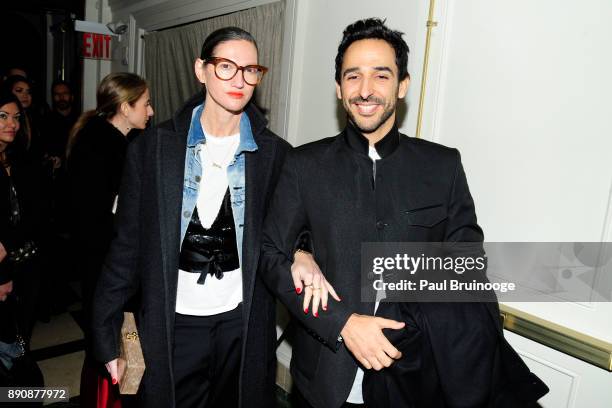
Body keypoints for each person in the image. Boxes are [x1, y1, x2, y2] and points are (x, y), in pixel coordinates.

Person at [260, 18, 548, 408]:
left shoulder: (442, 165)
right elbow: (271, 253)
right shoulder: (304, 164)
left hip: (419, 377)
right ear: (339, 88)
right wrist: (342, 322)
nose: (365, 91)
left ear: (402, 85)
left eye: (381, 76)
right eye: (353, 77)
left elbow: (466, 263)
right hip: (326, 380)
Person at [91, 27, 325, 408]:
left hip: (242, 323)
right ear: (201, 69)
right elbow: (127, 246)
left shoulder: (275, 155)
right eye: (226, 66)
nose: (240, 80)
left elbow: (293, 227)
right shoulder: (153, 149)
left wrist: (302, 250)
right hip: (173, 322)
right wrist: (105, 333)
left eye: (250, 70)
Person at [66, 72, 153, 407]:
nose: (150, 111)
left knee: (119, 339)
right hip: (106, 265)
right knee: (110, 343)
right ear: (124, 106)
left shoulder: (122, 142)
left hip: (113, 263)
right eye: (145, 104)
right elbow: (96, 217)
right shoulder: (98, 146)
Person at [0, 90, 45, 345]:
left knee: (21, 336)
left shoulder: (23, 159)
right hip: (4, 267)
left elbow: (37, 212)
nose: (12, 124)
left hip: (28, 262)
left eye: (16, 117)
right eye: (3, 116)